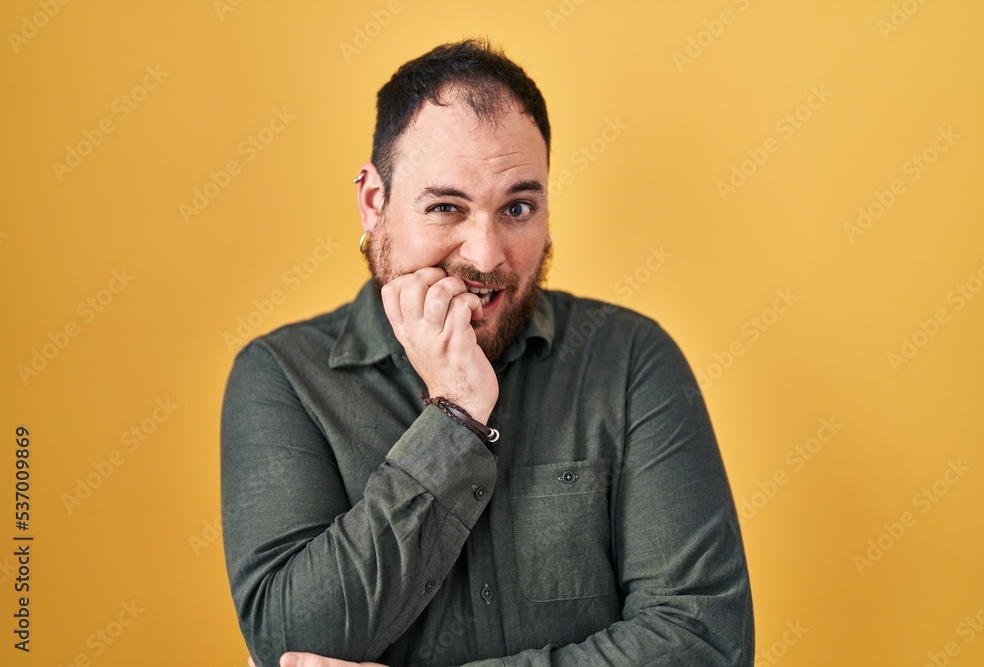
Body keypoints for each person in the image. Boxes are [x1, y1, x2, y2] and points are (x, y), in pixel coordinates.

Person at [221, 39, 754, 667]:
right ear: (374, 204)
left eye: (518, 209)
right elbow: (289, 643)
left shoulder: (631, 360)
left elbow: (704, 643)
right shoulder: (283, 378)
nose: (487, 256)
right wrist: (454, 417)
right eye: (446, 207)